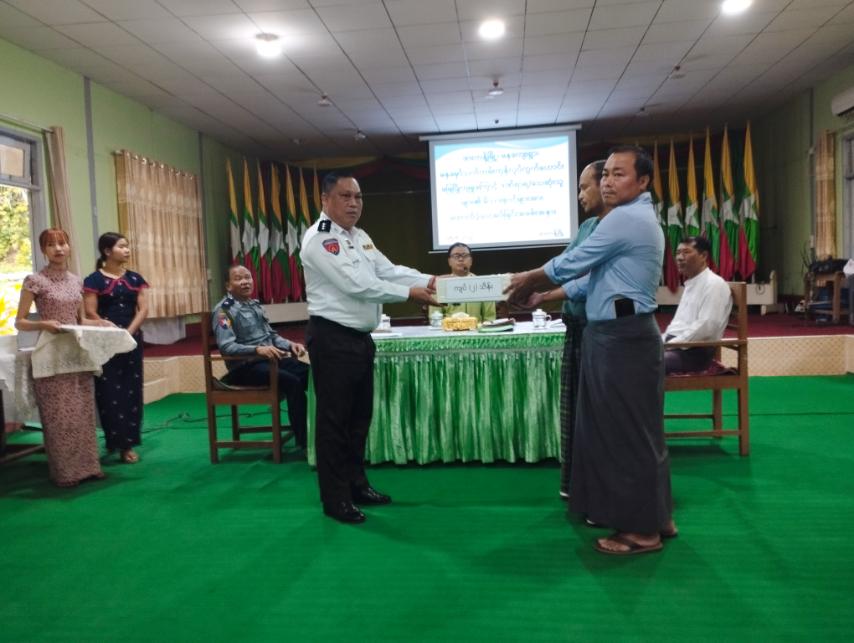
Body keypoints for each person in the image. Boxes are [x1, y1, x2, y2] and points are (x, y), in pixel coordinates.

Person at [506, 145, 675, 555]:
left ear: (643, 181)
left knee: (625, 434)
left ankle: (641, 532)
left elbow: (574, 261)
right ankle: (657, 518)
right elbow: (592, 280)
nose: (608, 182)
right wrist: (545, 296)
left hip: (621, 338)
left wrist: (525, 280)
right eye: (606, 175)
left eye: (619, 174)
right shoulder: (634, 217)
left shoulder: (625, 219)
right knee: (641, 432)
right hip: (622, 334)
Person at [301, 173, 438, 524]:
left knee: (358, 420)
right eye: (345, 196)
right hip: (332, 338)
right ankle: (335, 499)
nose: (353, 203)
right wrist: (411, 293)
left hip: (359, 339)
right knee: (334, 423)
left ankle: (356, 485)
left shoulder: (359, 237)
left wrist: (429, 280)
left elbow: (389, 271)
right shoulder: (321, 238)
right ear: (325, 200)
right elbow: (357, 284)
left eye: (358, 197)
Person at [523, 160, 610, 500]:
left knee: (596, 413)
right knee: (576, 410)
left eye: (584, 187)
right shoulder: (588, 226)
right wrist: (538, 290)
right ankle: (579, 484)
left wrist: (535, 288)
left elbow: (584, 277)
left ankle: (598, 489)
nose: (580, 195)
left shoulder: (615, 228)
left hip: (599, 330)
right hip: (576, 326)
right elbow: (565, 265)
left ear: (605, 184)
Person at [14, 229, 108, 487]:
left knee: (82, 414)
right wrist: (43, 324)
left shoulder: (77, 281)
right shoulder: (35, 280)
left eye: (62, 243)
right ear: (43, 250)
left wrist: (103, 323)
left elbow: (81, 320)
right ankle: (66, 473)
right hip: (51, 355)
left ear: (69, 247)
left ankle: (89, 467)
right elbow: (19, 322)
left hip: (77, 354)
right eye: (51, 245)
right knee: (59, 418)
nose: (58, 249)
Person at [212, 265, 309, 450]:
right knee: (293, 382)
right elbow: (226, 346)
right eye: (238, 278)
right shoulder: (224, 310)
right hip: (245, 367)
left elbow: (271, 336)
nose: (245, 282)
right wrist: (257, 349)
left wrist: (290, 345)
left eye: (247, 277)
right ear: (228, 286)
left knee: (313, 376)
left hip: (269, 361)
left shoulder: (254, 305)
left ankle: (322, 433)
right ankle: (305, 443)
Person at [83, 232, 149, 463]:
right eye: (122, 246)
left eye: (127, 246)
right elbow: (90, 311)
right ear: (107, 251)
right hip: (104, 343)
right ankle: (115, 441)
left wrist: (128, 333)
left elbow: (143, 309)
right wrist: (111, 331)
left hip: (131, 341)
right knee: (109, 391)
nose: (127, 250)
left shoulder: (135, 278)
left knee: (132, 390)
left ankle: (128, 444)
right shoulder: (93, 280)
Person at [663, 236, 732, 373]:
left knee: (644, 361)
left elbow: (706, 327)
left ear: (703, 256)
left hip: (693, 353)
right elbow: (677, 325)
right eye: (678, 253)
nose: (680, 258)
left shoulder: (714, 284)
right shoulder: (692, 283)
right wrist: (661, 341)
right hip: (678, 346)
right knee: (632, 353)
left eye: (686, 252)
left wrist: (669, 344)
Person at [428, 242, 496, 322]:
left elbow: (490, 318)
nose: (461, 259)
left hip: (477, 329)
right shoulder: (439, 285)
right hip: (448, 329)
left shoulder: (483, 284)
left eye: (465, 256)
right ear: (449, 261)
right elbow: (435, 317)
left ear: (471, 261)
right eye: (456, 256)